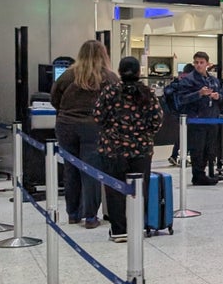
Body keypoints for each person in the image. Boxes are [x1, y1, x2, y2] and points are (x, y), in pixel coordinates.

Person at [50, 40, 119, 228]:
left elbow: (54, 98)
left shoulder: (67, 75)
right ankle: (90, 217)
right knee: (92, 171)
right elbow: (116, 104)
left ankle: (73, 214)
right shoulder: (110, 77)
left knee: (70, 169)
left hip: (66, 126)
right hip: (94, 127)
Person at [95, 57, 163, 242]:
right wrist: (144, 134)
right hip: (141, 150)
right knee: (139, 190)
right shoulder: (148, 93)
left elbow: (98, 116)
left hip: (113, 149)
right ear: (138, 72)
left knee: (115, 190)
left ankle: (119, 230)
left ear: (119, 71)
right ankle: (137, 226)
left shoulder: (110, 91)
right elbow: (157, 120)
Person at [174, 52, 221, 186]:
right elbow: (181, 99)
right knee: (198, 150)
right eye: (196, 62)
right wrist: (199, 94)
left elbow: (221, 97)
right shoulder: (188, 80)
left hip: (211, 119)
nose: (199, 65)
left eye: (201, 62)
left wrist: (218, 97)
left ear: (207, 63)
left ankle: (204, 173)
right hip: (196, 120)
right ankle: (198, 175)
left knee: (209, 149)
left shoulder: (213, 80)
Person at [167, 63, 194, 167]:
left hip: (175, 112)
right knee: (186, 135)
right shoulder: (187, 82)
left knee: (182, 135)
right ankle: (180, 156)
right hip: (184, 112)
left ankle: (175, 156)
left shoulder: (177, 81)